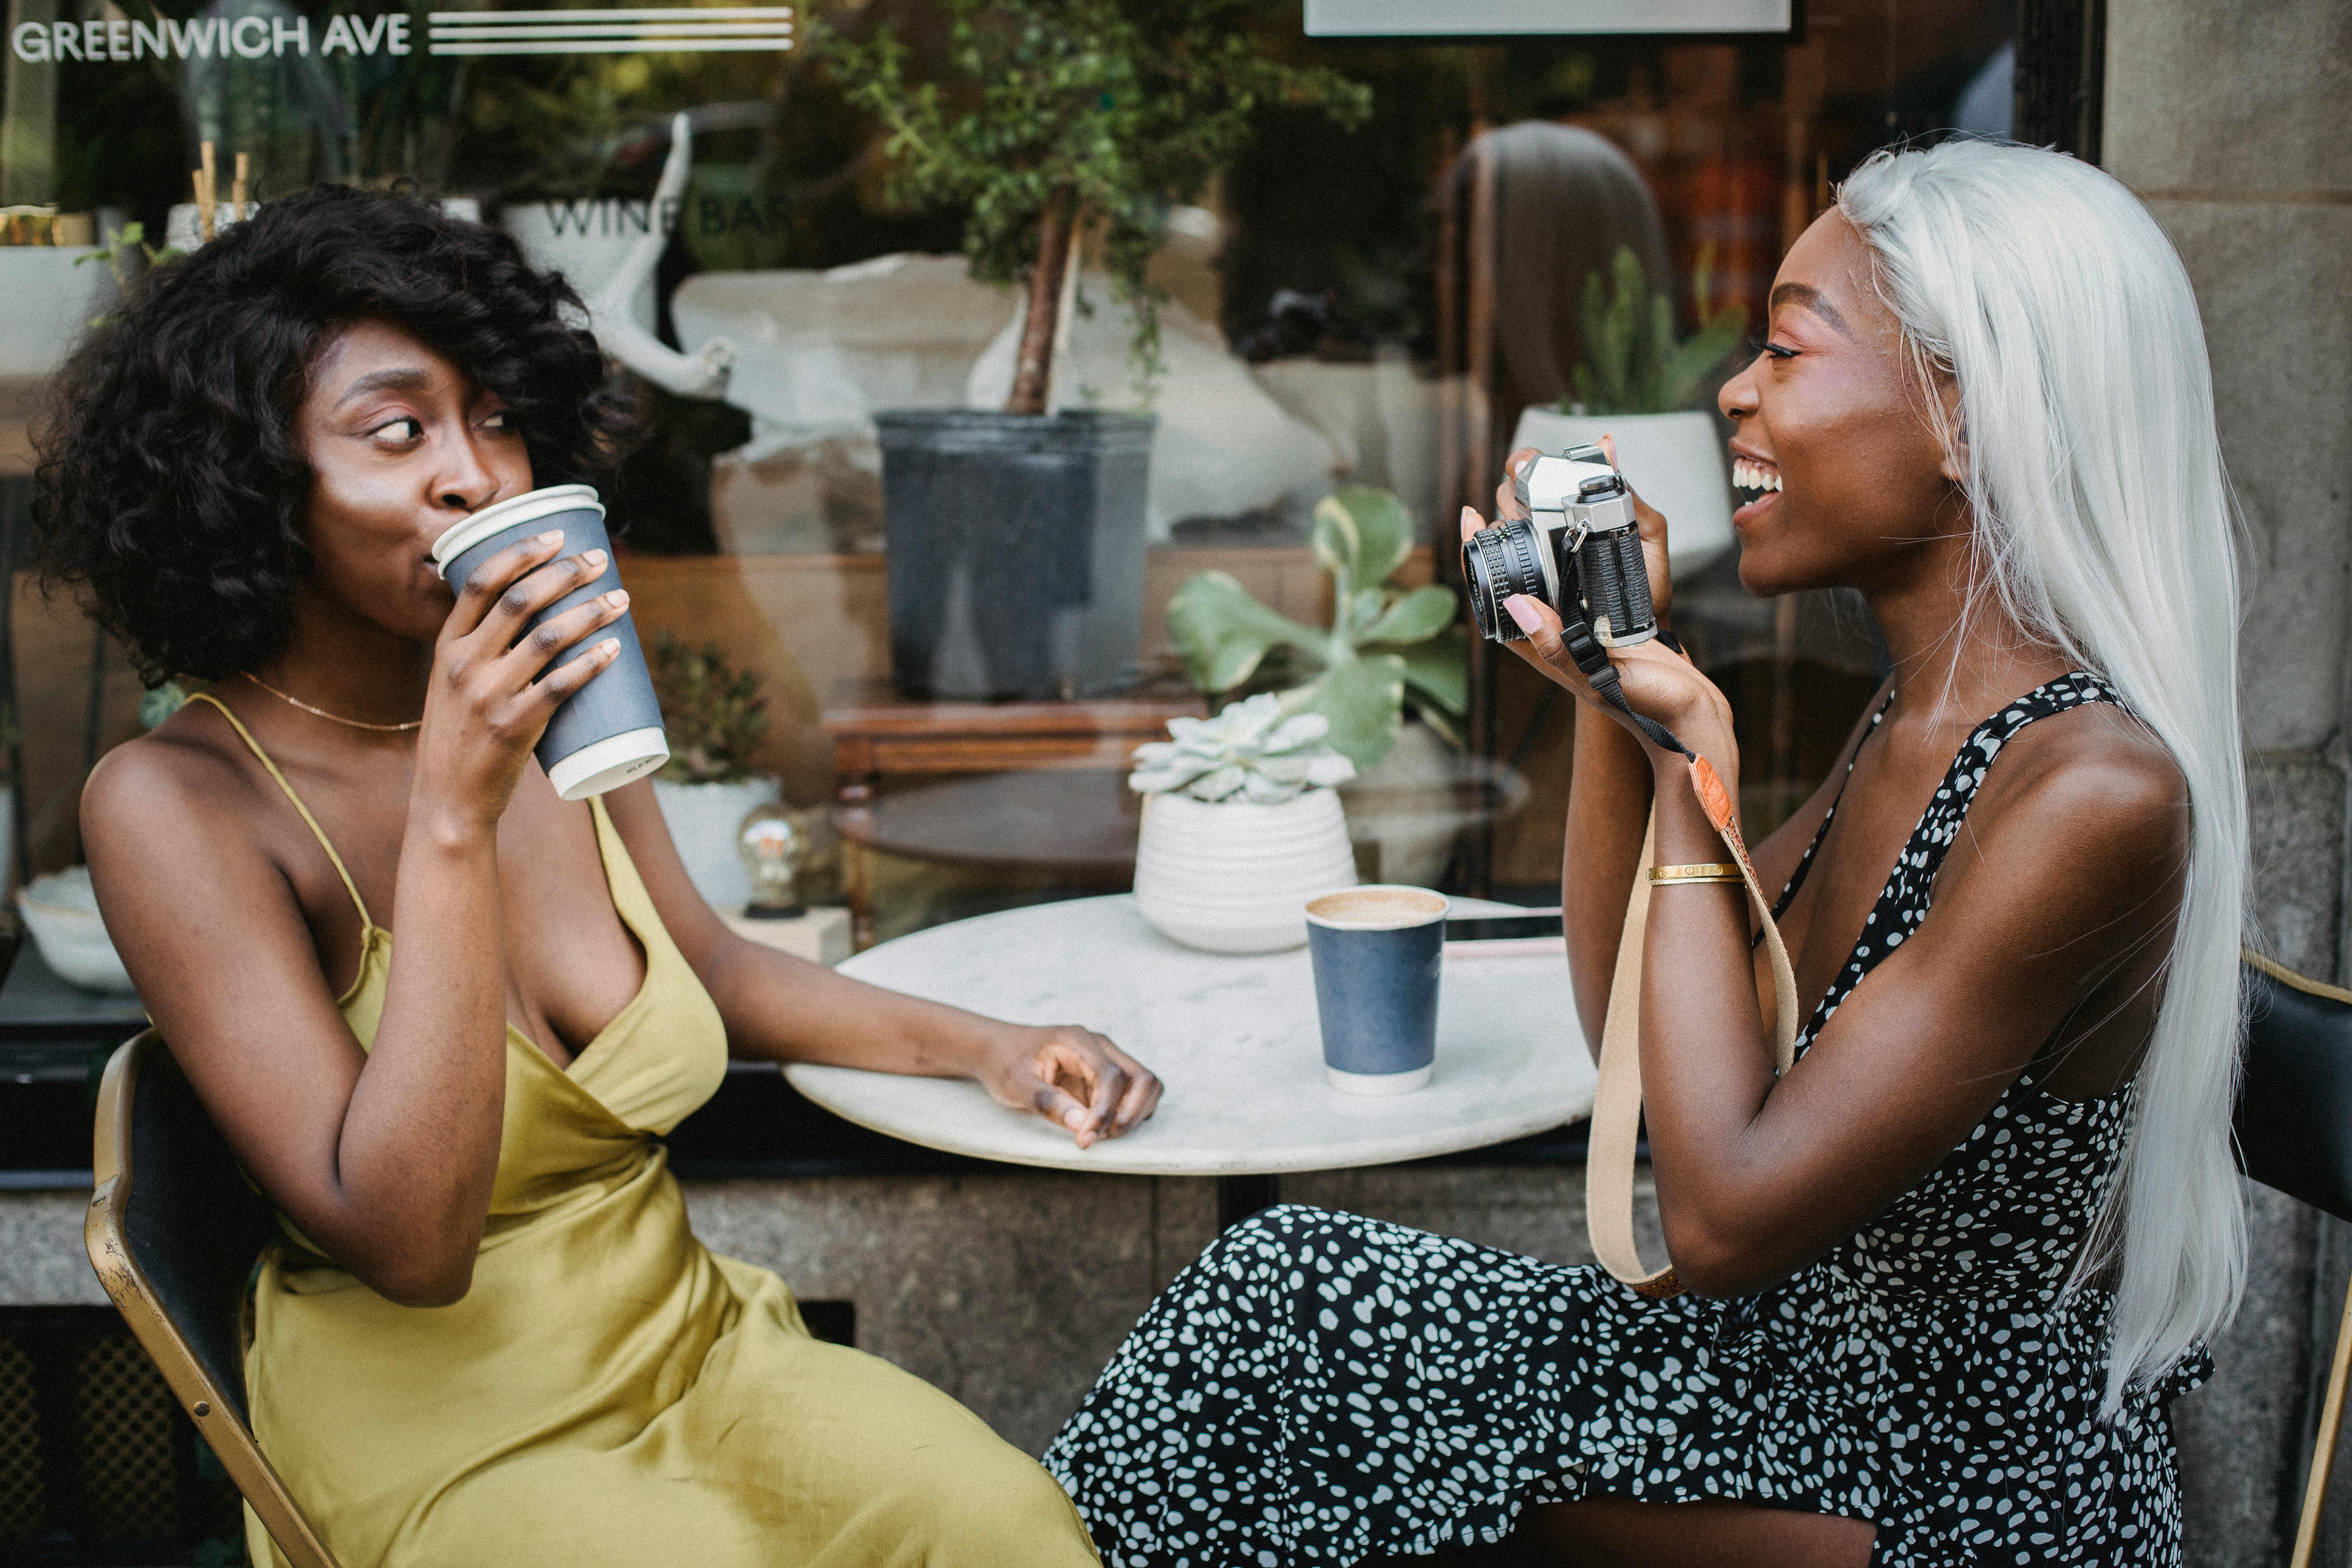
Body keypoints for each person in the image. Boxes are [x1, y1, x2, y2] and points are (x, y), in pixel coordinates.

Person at [1046, 139, 2246, 1567]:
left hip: (1944, 1481)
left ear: (1971, 415)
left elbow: (1723, 1213)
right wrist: (1621, 697)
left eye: (1787, 353)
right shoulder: (1915, 720)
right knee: (1273, 1300)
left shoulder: (2091, 788)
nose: (1734, 391)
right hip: (1786, 1390)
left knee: (1290, 1331)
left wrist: (1690, 759)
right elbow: (1632, 1022)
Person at [42, 186, 1160, 1568]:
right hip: (447, 1433)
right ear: (249, 477)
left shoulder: (560, 702)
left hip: (688, 1352)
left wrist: (991, 1047)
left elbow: (713, 969)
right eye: (399, 432)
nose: (477, 476)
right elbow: (410, 1244)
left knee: (1007, 1523)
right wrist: (456, 810)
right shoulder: (175, 805)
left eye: (498, 419)